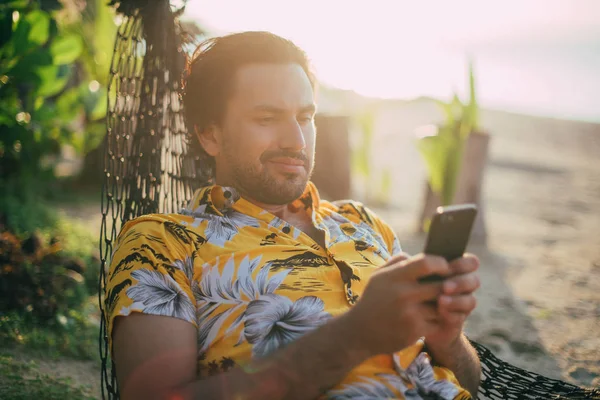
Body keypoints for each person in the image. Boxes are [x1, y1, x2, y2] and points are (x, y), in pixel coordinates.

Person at [105, 31, 481, 400]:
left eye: (305, 116)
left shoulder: (362, 223)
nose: (297, 141)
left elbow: (467, 383)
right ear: (209, 135)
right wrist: (356, 335)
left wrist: (448, 339)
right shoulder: (162, 243)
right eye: (267, 118)